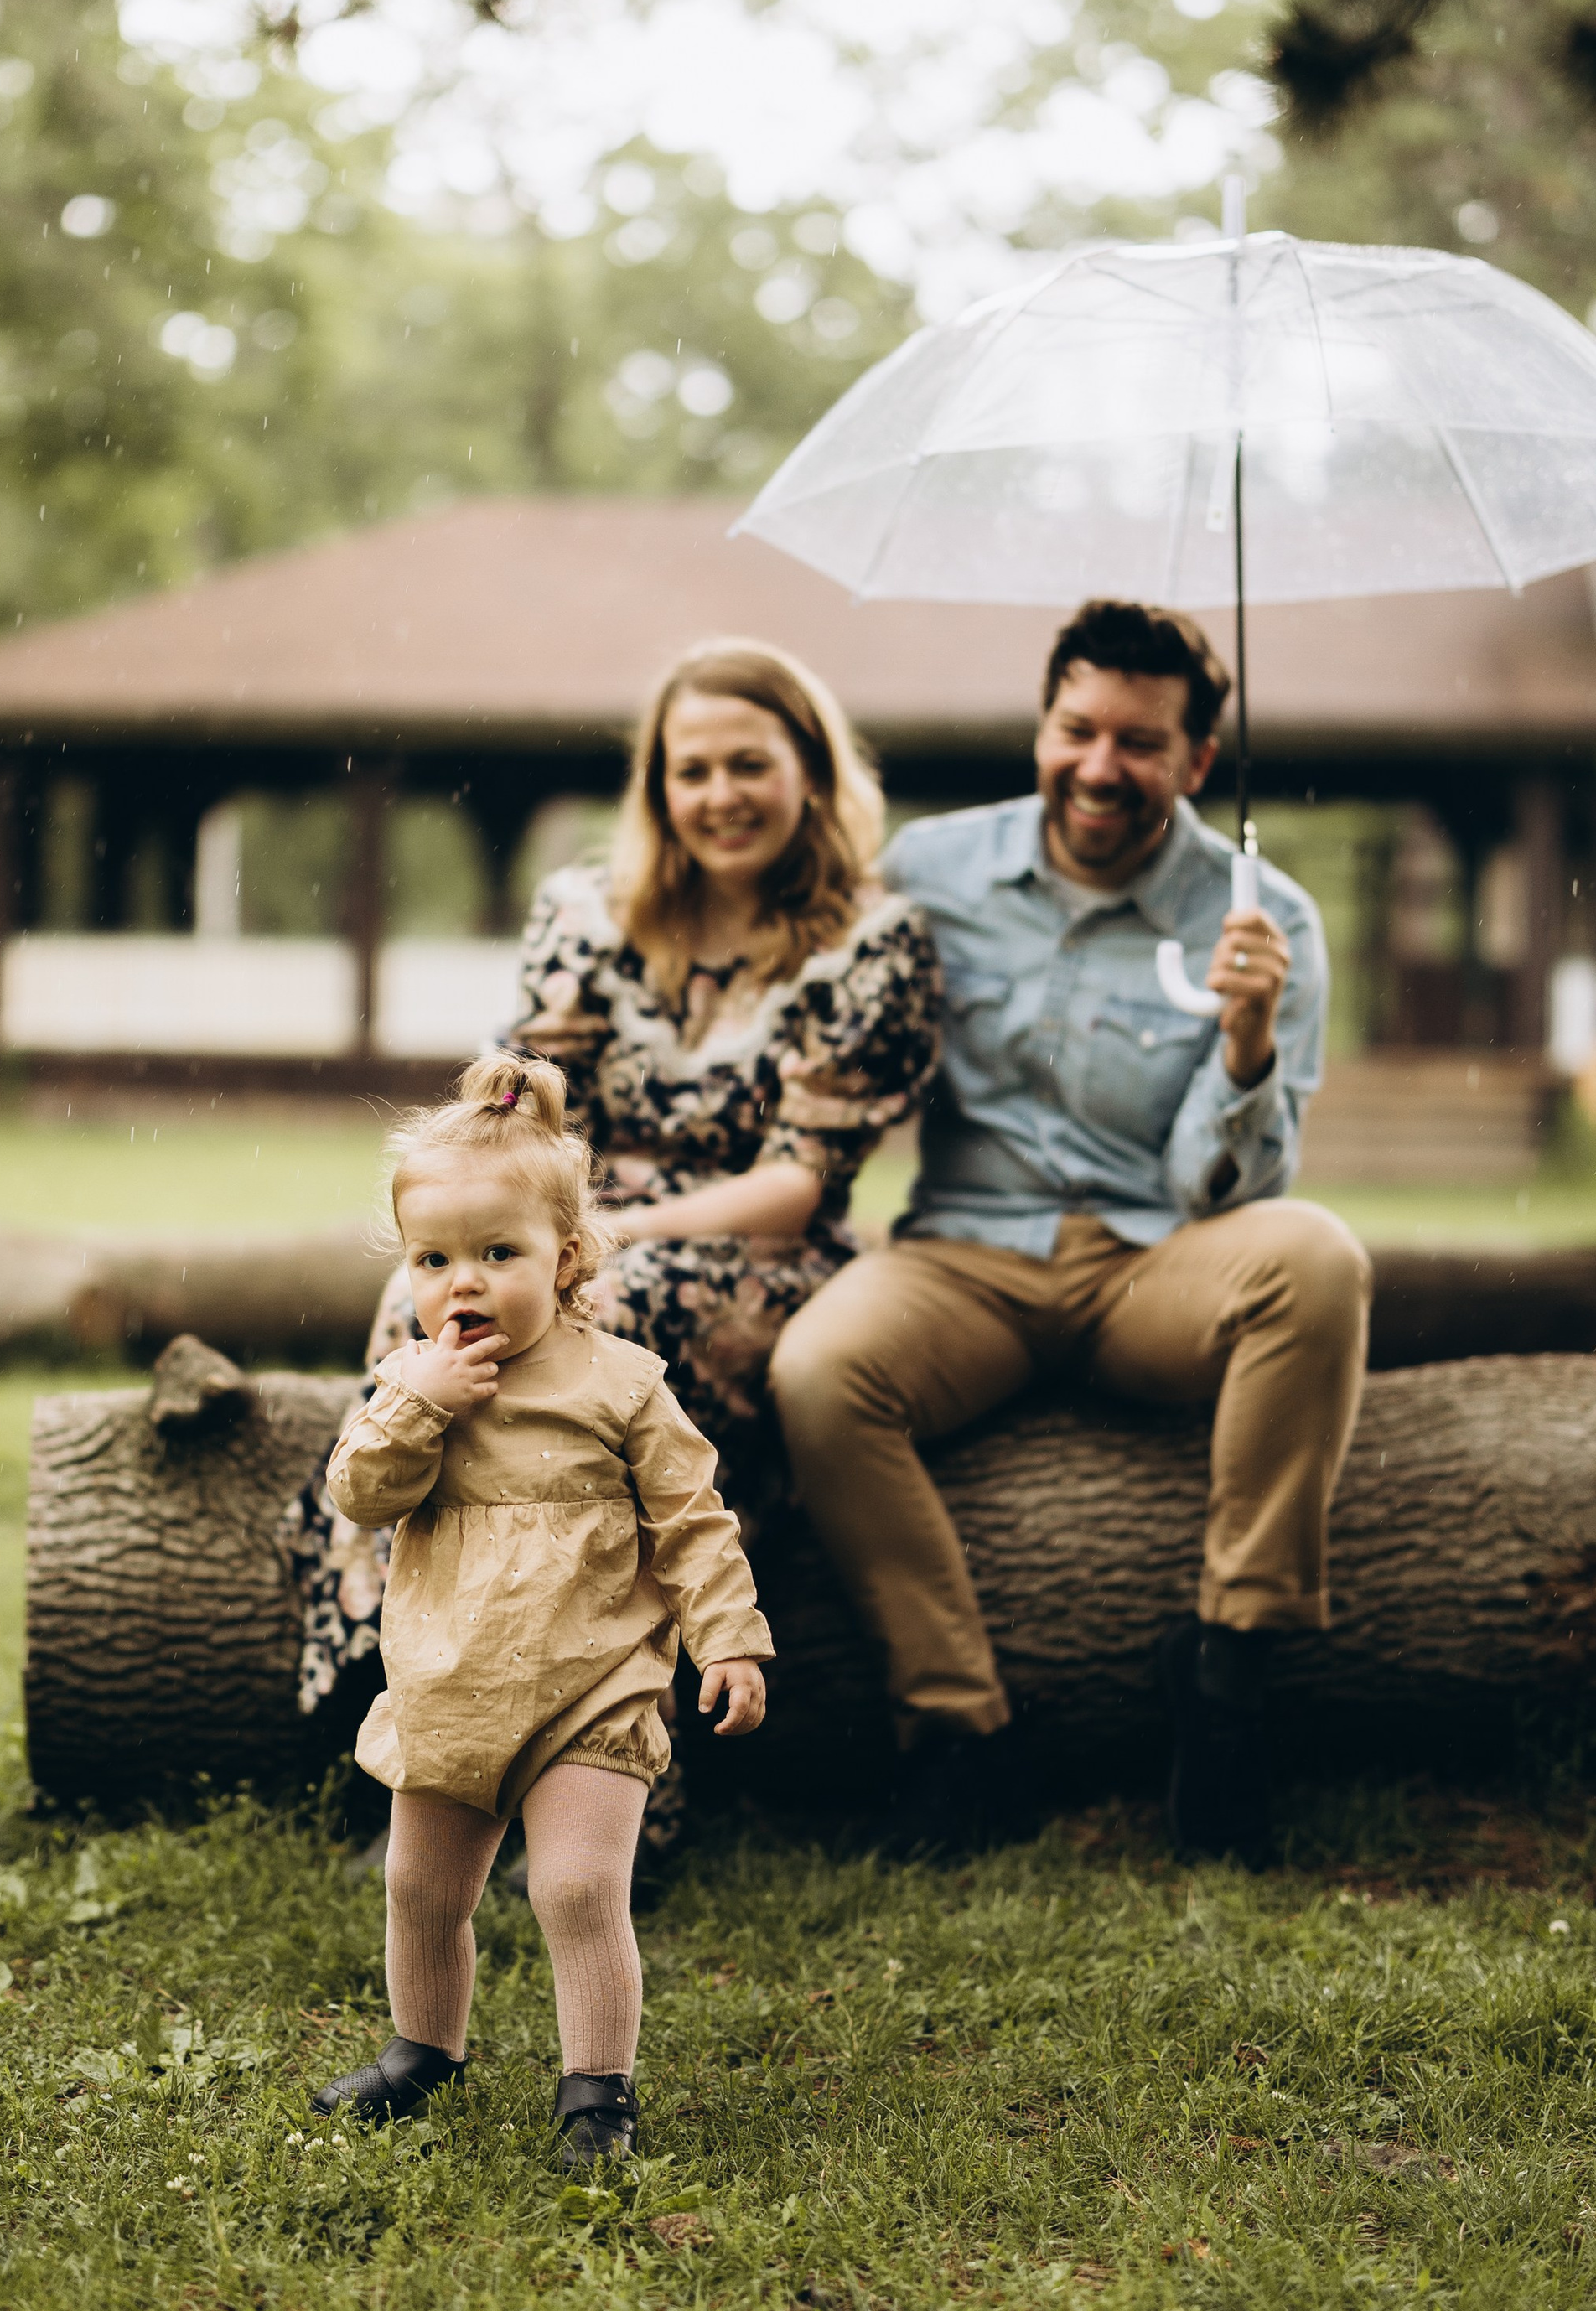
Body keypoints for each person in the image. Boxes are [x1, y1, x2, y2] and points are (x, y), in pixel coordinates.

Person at [768, 598, 1372, 1868]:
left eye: (1141, 743)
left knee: (1317, 1256)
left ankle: (1229, 1676)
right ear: (1042, 726)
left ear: (1198, 761)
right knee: (819, 1373)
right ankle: (959, 1731)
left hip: (1152, 1261)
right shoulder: (929, 872)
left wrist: (1249, 1041)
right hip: (962, 1259)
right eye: (1077, 729)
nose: (1101, 767)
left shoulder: (1266, 920)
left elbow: (1230, 1187)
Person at [291, 639, 941, 1796]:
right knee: (420, 1302)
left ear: (812, 773)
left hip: (758, 1246)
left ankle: (622, 1756)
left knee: (611, 1322)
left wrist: (619, 1234)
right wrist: (540, 1232)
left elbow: (799, 1179)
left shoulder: (871, 940)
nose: (721, 795)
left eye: (750, 764)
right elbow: (528, 1115)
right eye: (692, 770)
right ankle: (384, 1695)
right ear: (657, 786)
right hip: (565, 1221)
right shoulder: (585, 915)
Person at [309, 1053, 773, 2166]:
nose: (461, 1285)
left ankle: (596, 2095)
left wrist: (730, 1640)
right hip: (453, 1683)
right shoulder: (411, 1386)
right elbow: (360, 1496)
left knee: (574, 1889)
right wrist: (417, 1409)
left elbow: (693, 1522)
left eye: (497, 1255)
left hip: (590, 1685)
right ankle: (424, 2048)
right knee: (421, 1886)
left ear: (565, 1260)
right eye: (434, 1260)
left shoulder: (622, 1383)